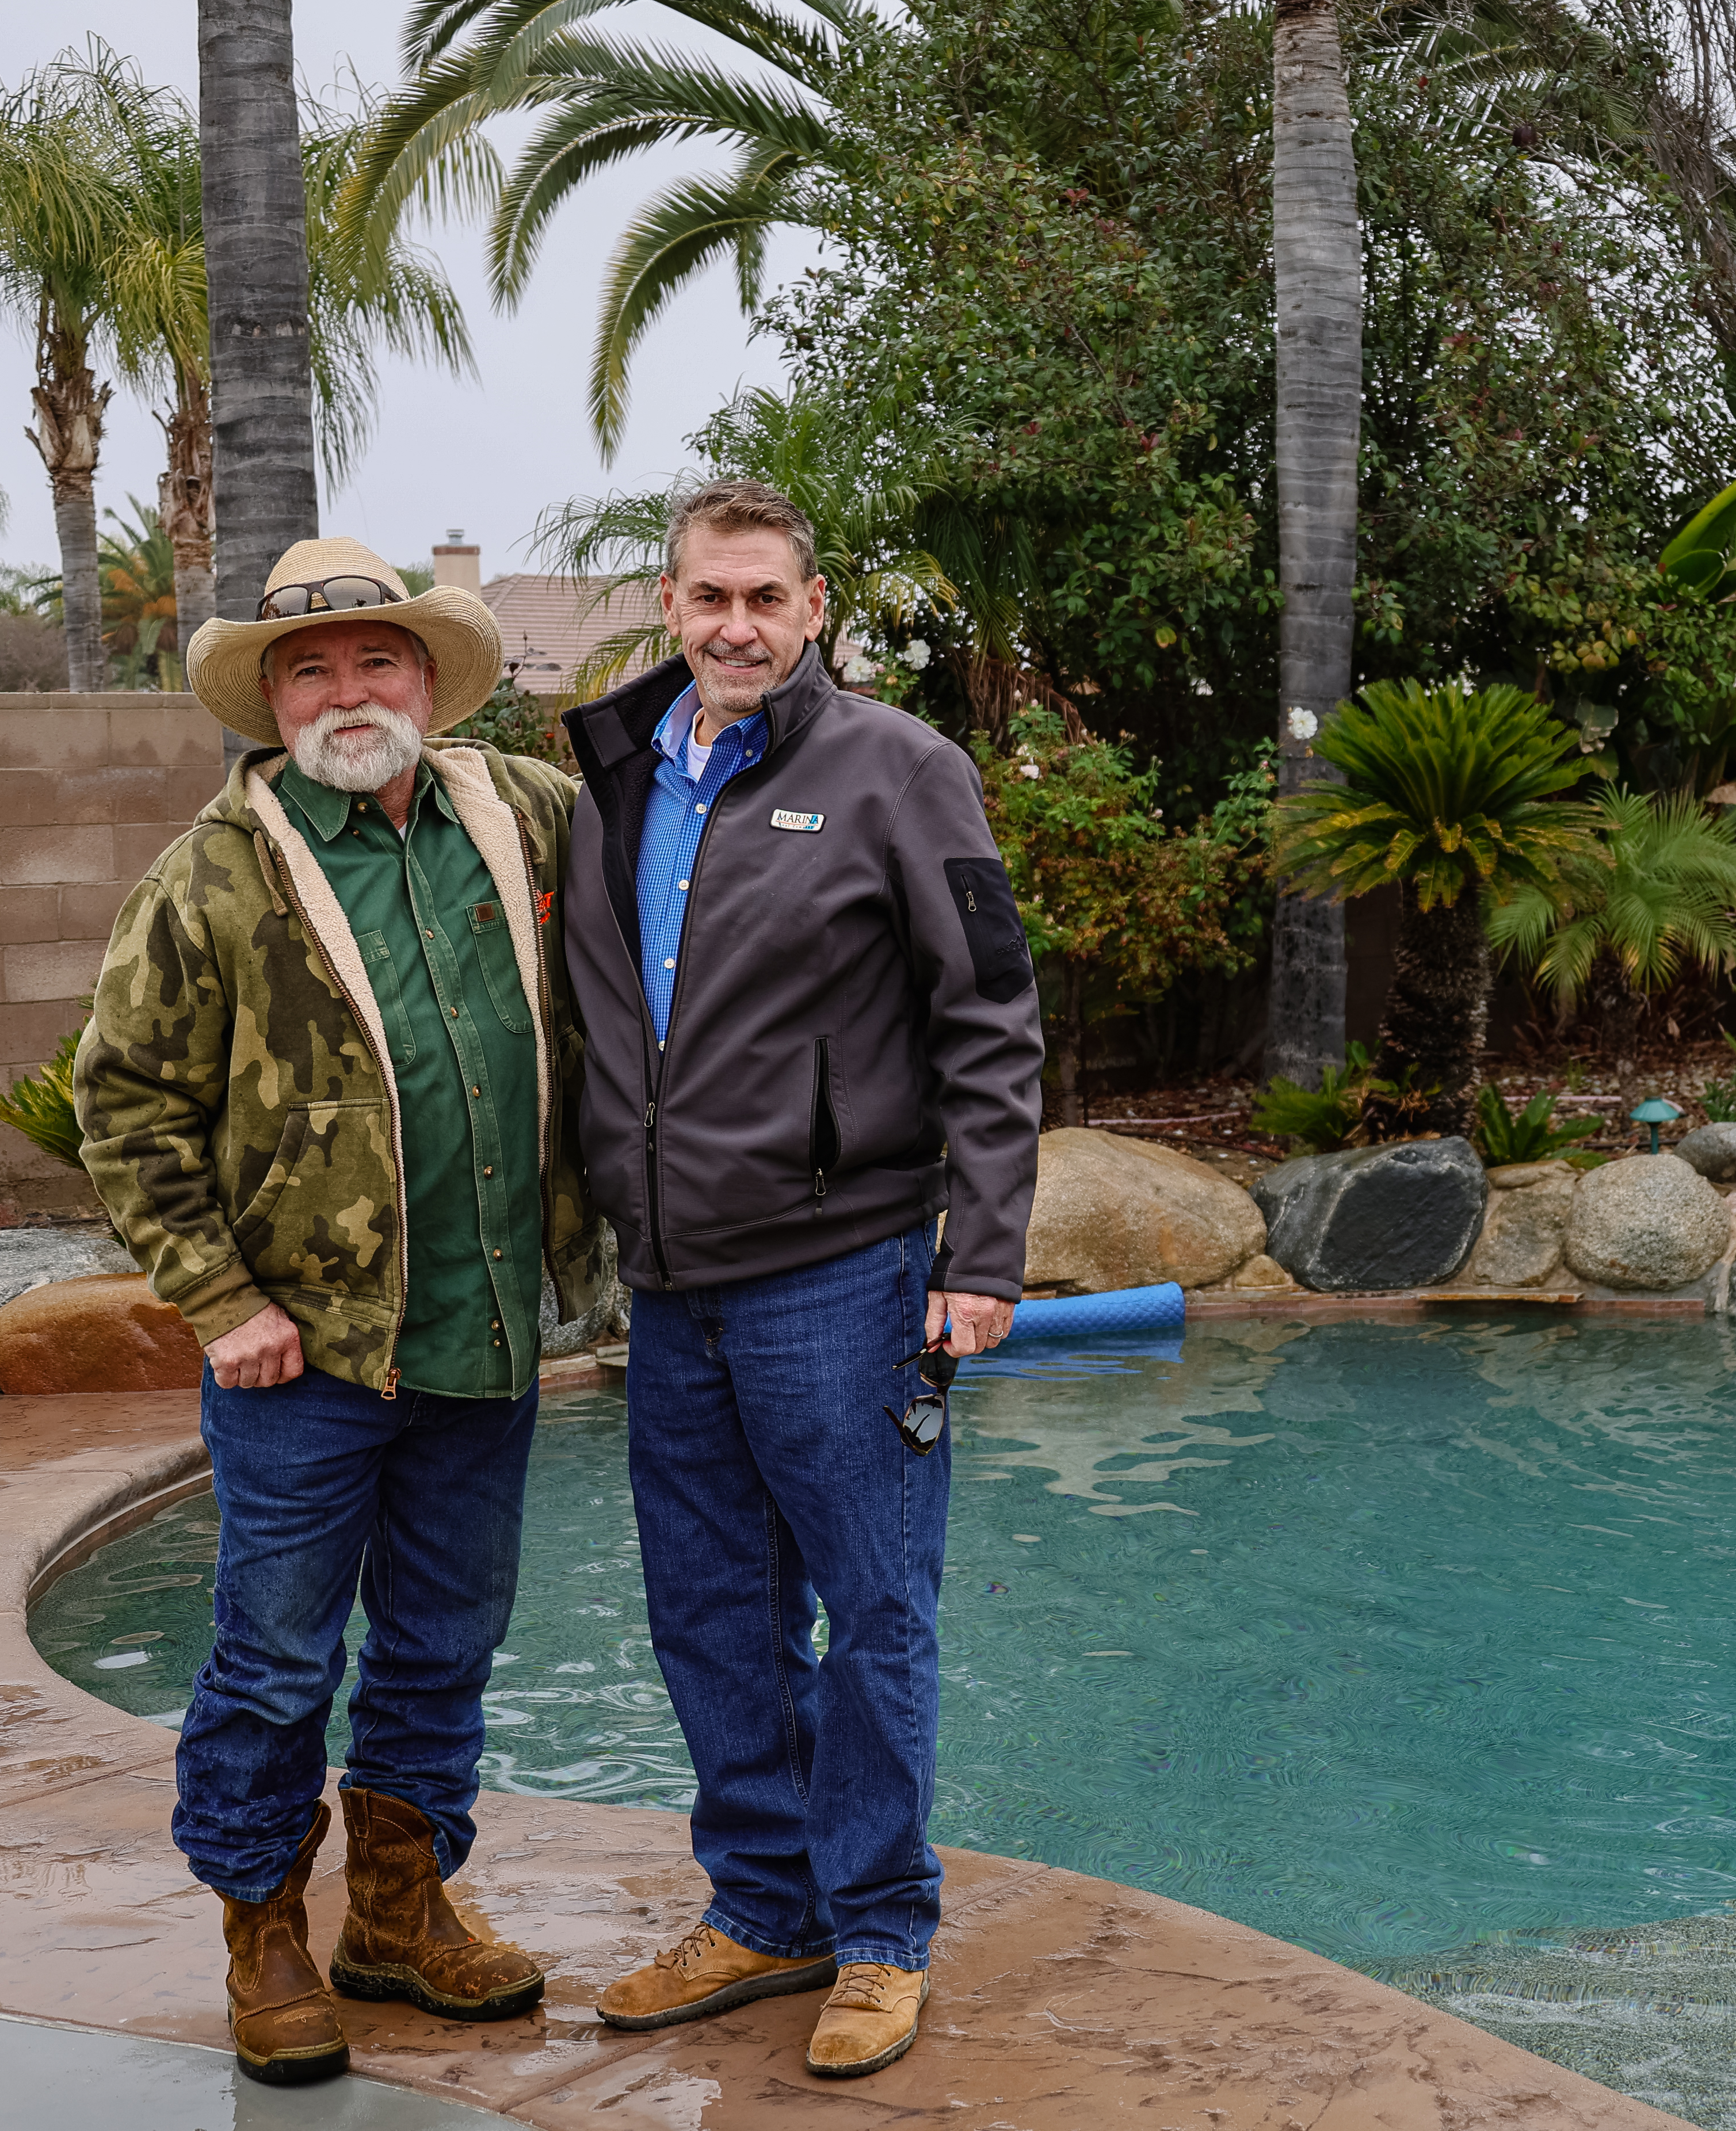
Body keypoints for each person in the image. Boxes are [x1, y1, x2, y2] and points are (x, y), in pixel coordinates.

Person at [75, 538, 606, 2085]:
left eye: (378, 660)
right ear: (273, 699)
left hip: (483, 1331)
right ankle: (263, 1933)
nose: (347, 691)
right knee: (275, 1661)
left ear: (429, 682)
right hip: (298, 1355)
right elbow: (126, 1104)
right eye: (310, 669)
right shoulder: (212, 876)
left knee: (444, 1647)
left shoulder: (529, 815)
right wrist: (219, 1298)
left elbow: (686, 895)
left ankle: (398, 1910)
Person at [560, 480, 1040, 2079]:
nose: (738, 626)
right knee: (710, 1614)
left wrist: (984, 1252)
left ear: (814, 607)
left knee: (874, 1609)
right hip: (670, 1281)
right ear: (670, 602)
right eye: (712, 597)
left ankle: (882, 1931)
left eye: (768, 598)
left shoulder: (901, 769)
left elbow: (991, 1016)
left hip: (844, 1272)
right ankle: (766, 1908)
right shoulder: (613, 777)